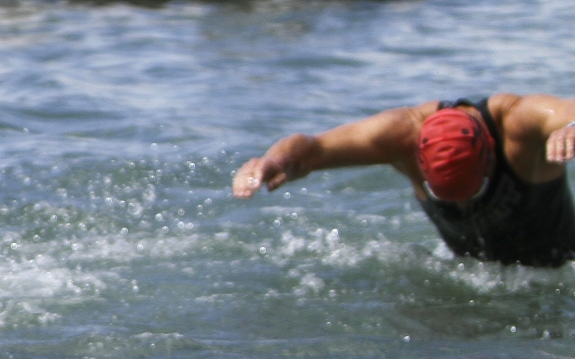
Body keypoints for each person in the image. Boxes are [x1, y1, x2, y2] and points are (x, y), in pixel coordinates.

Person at [231, 93, 575, 267]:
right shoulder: (399, 137)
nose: (461, 207)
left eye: (474, 192)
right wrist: (274, 162)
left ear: (489, 160)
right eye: (446, 196)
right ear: (419, 161)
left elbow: (567, 108)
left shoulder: (517, 124)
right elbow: (311, 149)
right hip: (474, 277)